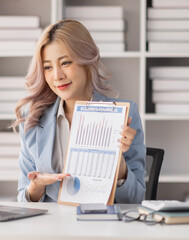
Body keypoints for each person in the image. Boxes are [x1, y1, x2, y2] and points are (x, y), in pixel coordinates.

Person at [12, 19, 146, 203]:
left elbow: (136, 199)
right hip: (51, 227)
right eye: (48, 67)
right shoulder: (32, 120)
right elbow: (22, 199)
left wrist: (120, 167)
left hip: (102, 225)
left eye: (65, 62)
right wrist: (36, 187)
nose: (57, 75)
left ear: (87, 61)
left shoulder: (125, 115)